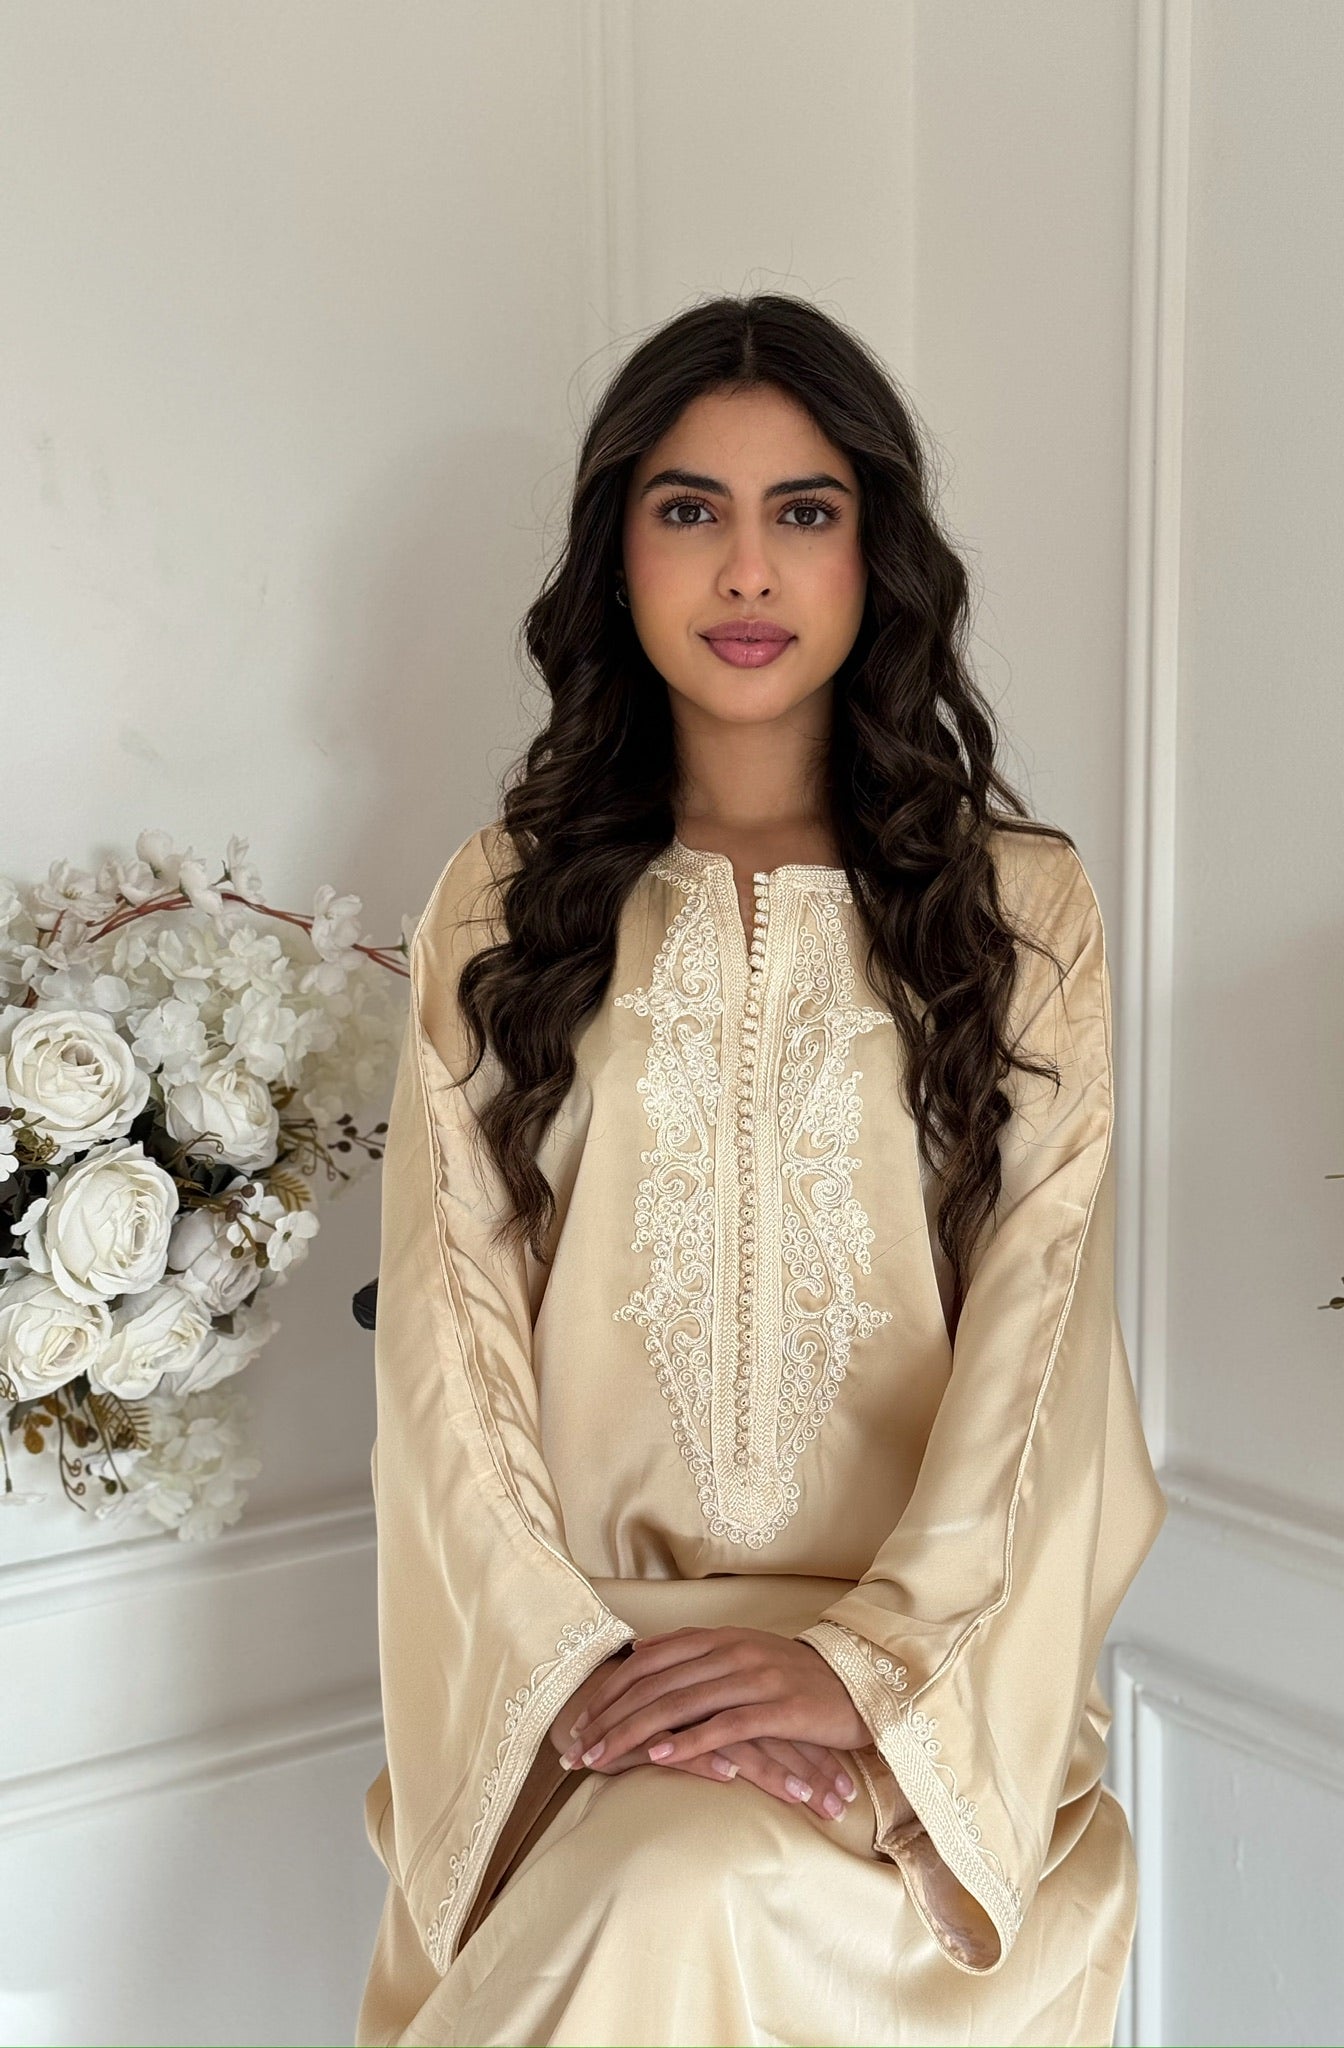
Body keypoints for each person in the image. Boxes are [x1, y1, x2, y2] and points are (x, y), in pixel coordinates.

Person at [354, 292, 1166, 2048]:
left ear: (876, 555)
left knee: (688, 1885)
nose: (746, 571)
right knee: (652, 1868)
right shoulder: (501, 905)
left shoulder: (1020, 913)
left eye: (804, 511)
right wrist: (577, 1679)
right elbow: (447, 1345)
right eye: (687, 509)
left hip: (931, 1694)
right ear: (615, 554)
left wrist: (864, 1672)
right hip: (584, 1683)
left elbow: (1047, 1351)